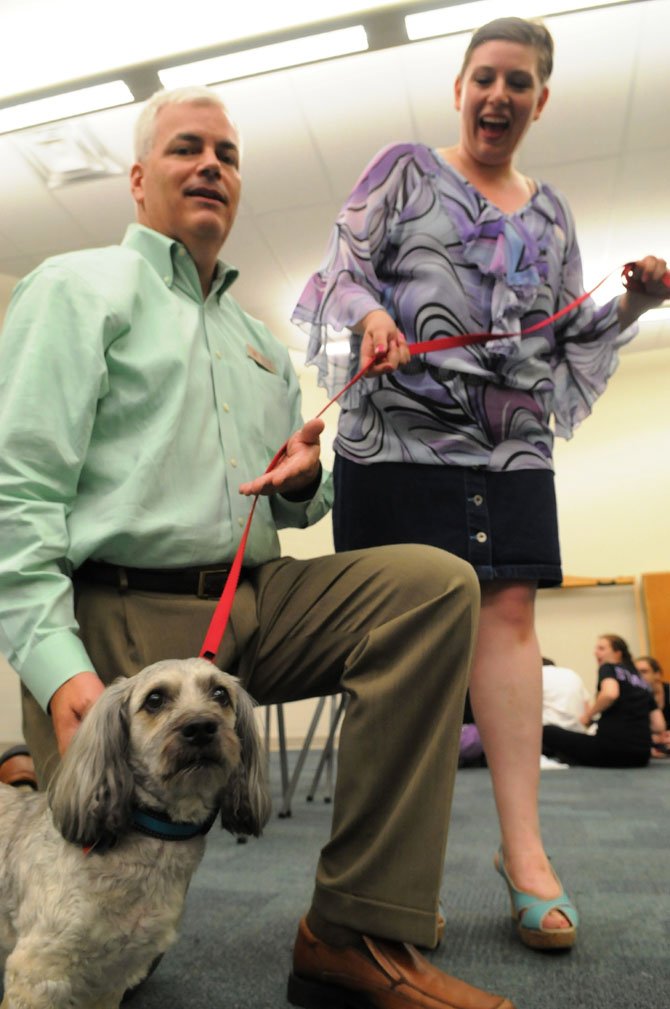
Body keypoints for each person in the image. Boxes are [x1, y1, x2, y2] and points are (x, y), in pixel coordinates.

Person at [0, 86, 514, 1009]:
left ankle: (356, 927)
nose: (211, 166)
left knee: (434, 586)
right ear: (137, 177)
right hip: (118, 612)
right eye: (187, 149)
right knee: (88, 923)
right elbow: (18, 496)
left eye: (227, 156)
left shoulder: (262, 346)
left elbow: (293, 506)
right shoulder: (74, 289)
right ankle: (25, 764)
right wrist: (56, 668)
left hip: (253, 598)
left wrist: (307, 473)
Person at [292, 15, 668, 951]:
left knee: (509, 623)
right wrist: (375, 311)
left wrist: (634, 303)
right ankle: (389, 873)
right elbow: (337, 275)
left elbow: (568, 337)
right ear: (459, 86)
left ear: (542, 99)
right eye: (485, 78)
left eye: (520, 83)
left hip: (507, 447)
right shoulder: (402, 171)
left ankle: (526, 853)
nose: (500, 95)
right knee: (396, 645)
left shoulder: (553, 214)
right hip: (396, 440)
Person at [542, 635, 666, 767]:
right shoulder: (642, 681)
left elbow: (610, 694)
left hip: (612, 751)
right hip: (641, 756)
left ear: (617, 653)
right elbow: (659, 725)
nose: (595, 652)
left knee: (547, 731)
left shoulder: (609, 668)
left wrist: (588, 716)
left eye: (601, 648)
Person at [541, 657, 591, 733]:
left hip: (549, 733)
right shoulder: (572, 674)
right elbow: (587, 712)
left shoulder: (538, 674)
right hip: (577, 734)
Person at [635, 655, 670, 756]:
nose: (639, 676)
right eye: (636, 673)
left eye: (644, 671)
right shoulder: (634, 697)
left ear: (657, 674)